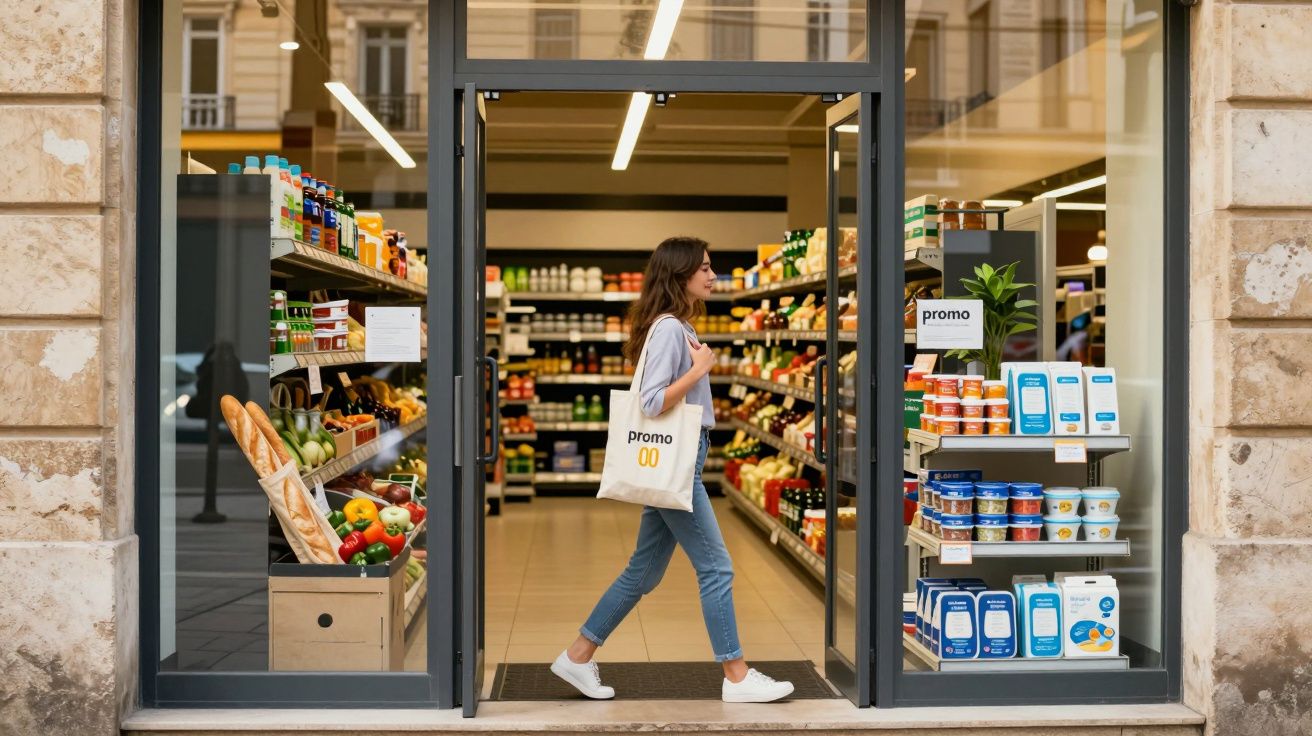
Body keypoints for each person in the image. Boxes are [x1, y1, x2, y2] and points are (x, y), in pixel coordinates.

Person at [551, 236, 795, 704]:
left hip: (680, 459)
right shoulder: (668, 329)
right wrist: (699, 370)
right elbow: (650, 401)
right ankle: (737, 675)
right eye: (703, 267)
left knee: (643, 574)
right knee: (717, 568)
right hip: (678, 463)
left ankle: (577, 656)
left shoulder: (678, 326)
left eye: (711, 267)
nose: (711, 275)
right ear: (679, 274)